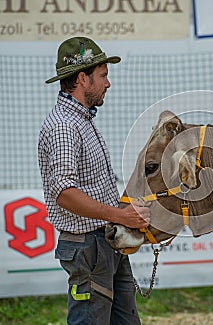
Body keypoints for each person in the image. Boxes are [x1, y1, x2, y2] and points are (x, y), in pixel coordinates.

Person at [38, 37, 150, 325]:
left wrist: (123, 213)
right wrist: (120, 214)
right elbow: (64, 193)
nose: (108, 84)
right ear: (82, 78)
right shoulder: (65, 125)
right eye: (103, 76)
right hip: (89, 246)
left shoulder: (81, 120)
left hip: (103, 241)